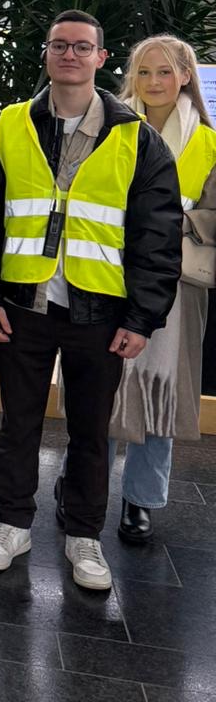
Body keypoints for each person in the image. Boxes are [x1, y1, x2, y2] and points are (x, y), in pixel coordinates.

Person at [0, 10, 181, 591]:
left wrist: (142, 316)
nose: (71, 55)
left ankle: (84, 536)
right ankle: (13, 523)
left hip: (100, 312)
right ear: (47, 54)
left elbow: (156, 235)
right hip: (22, 306)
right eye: (61, 45)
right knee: (18, 423)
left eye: (83, 47)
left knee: (89, 431)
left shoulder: (138, 137)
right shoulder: (4, 127)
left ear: (102, 58)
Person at [99, 36, 216, 543]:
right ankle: (79, 483)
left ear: (185, 76)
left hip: (176, 282)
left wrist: (174, 220)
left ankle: (141, 499)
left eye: (164, 73)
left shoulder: (208, 144)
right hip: (106, 272)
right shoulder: (109, 127)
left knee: (161, 392)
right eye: (143, 73)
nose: (153, 83)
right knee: (98, 385)